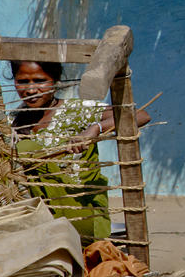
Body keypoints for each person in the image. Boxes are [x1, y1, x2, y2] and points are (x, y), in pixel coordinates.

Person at [9, 60, 150, 242]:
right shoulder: (15, 120)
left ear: (56, 80)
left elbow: (141, 116)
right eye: (23, 81)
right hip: (38, 210)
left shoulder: (76, 111)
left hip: (80, 212)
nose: (30, 89)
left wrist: (95, 128)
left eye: (39, 80)